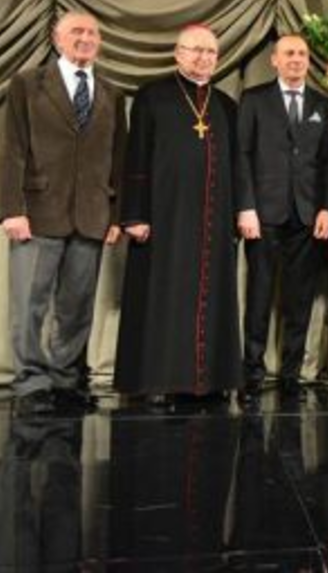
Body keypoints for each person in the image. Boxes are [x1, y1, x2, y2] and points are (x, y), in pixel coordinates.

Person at [0, 12, 126, 415]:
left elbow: (119, 158)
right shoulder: (27, 84)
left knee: (77, 306)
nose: (85, 38)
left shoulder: (111, 93)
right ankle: (31, 384)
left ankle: (66, 381)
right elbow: (12, 150)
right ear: (57, 39)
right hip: (37, 214)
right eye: (76, 32)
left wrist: (115, 215)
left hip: (91, 216)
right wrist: (11, 210)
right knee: (30, 305)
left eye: (92, 32)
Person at [114, 24, 242, 402]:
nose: (204, 58)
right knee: (162, 296)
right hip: (163, 218)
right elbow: (135, 157)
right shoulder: (152, 97)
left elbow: (236, 166)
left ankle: (208, 382)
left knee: (211, 298)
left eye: (210, 52)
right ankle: (156, 382)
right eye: (196, 50)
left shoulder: (225, 105)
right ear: (178, 53)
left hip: (212, 222)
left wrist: (238, 213)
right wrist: (134, 214)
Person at [235, 34, 328, 402]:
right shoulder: (254, 99)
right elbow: (242, 155)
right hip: (263, 214)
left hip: (307, 216)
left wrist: (326, 208)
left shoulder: (321, 104)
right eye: (289, 53)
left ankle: (292, 374)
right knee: (259, 295)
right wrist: (246, 207)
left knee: (300, 299)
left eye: (302, 54)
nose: (296, 59)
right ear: (275, 60)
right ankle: (252, 372)